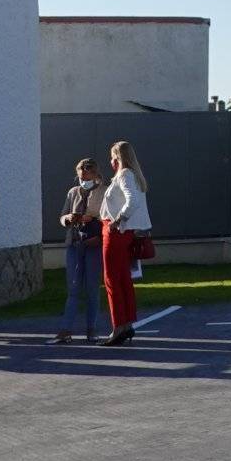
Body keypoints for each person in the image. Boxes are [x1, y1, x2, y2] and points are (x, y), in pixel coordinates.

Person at [99, 139, 152, 346]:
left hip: (115, 232)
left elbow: (132, 201)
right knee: (124, 279)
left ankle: (118, 327)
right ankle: (127, 324)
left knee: (112, 280)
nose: (111, 161)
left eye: (112, 157)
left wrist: (118, 220)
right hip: (126, 233)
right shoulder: (135, 175)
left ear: (117, 158)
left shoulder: (124, 175)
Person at [53, 157, 104, 344]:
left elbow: (108, 219)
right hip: (75, 244)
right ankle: (65, 330)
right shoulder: (73, 192)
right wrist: (69, 218)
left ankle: (92, 329)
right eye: (80, 175)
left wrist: (97, 232)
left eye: (87, 174)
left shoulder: (104, 192)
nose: (83, 178)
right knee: (73, 288)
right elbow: (62, 217)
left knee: (92, 288)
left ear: (95, 174)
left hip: (94, 245)